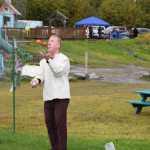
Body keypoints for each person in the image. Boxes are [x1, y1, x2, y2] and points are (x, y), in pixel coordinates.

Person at [31, 35, 70, 150]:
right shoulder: (43, 61)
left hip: (61, 97)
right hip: (48, 97)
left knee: (59, 123)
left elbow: (58, 71)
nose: (49, 43)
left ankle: (62, 148)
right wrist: (36, 80)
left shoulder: (63, 59)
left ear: (58, 45)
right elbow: (41, 75)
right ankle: (55, 147)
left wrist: (48, 60)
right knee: (50, 124)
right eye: (48, 41)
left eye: (52, 41)